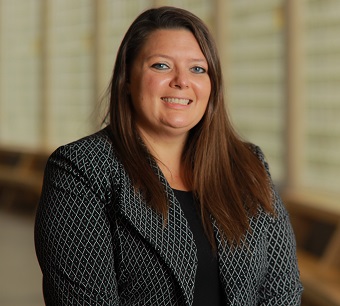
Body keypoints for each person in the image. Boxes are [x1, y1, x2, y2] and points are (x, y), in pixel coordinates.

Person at [34, 6, 303, 305]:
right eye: (161, 66)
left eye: (198, 69)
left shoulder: (248, 164)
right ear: (127, 79)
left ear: (212, 85)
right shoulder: (81, 169)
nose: (181, 81)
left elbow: (282, 289)